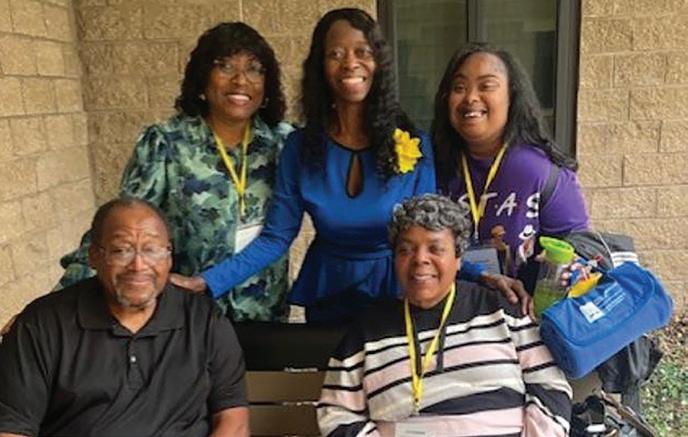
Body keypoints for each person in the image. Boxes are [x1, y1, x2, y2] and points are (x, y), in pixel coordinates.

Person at [172, 9, 526, 323]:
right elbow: (276, 238)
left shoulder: (414, 144)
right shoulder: (300, 147)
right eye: (336, 54)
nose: (350, 63)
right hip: (330, 295)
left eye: (362, 52)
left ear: (378, 63)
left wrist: (481, 275)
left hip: (398, 292)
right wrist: (206, 282)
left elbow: (433, 235)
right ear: (321, 67)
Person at [57, 22, 293, 322]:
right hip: (188, 316)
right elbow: (119, 225)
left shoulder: (283, 143)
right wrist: (55, 306)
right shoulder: (167, 144)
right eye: (225, 66)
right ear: (202, 78)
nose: (240, 80)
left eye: (254, 69)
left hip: (266, 316)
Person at [317, 194, 572, 437]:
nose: (420, 259)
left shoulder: (502, 310)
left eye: (435, 249)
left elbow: (551, 388)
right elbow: (337, 412)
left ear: (459, 259)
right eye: (406, 250)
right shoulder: (368, 330)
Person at [0, 198, 249, 437]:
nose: (139, 266)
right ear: (94, 256)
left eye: (152, 250)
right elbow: (13, 428)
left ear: (169, 256)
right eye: (121, 250)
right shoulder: (41, 325)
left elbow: (234, 422)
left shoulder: (203, 319)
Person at [432, 43, 589, 293]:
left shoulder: (541, 172)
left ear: (512, 97)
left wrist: (564, 269)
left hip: (523, 310)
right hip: (448, 308)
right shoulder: (431, 167)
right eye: (459, 88)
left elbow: (577, 247)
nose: (470, 98)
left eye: (486, 86)